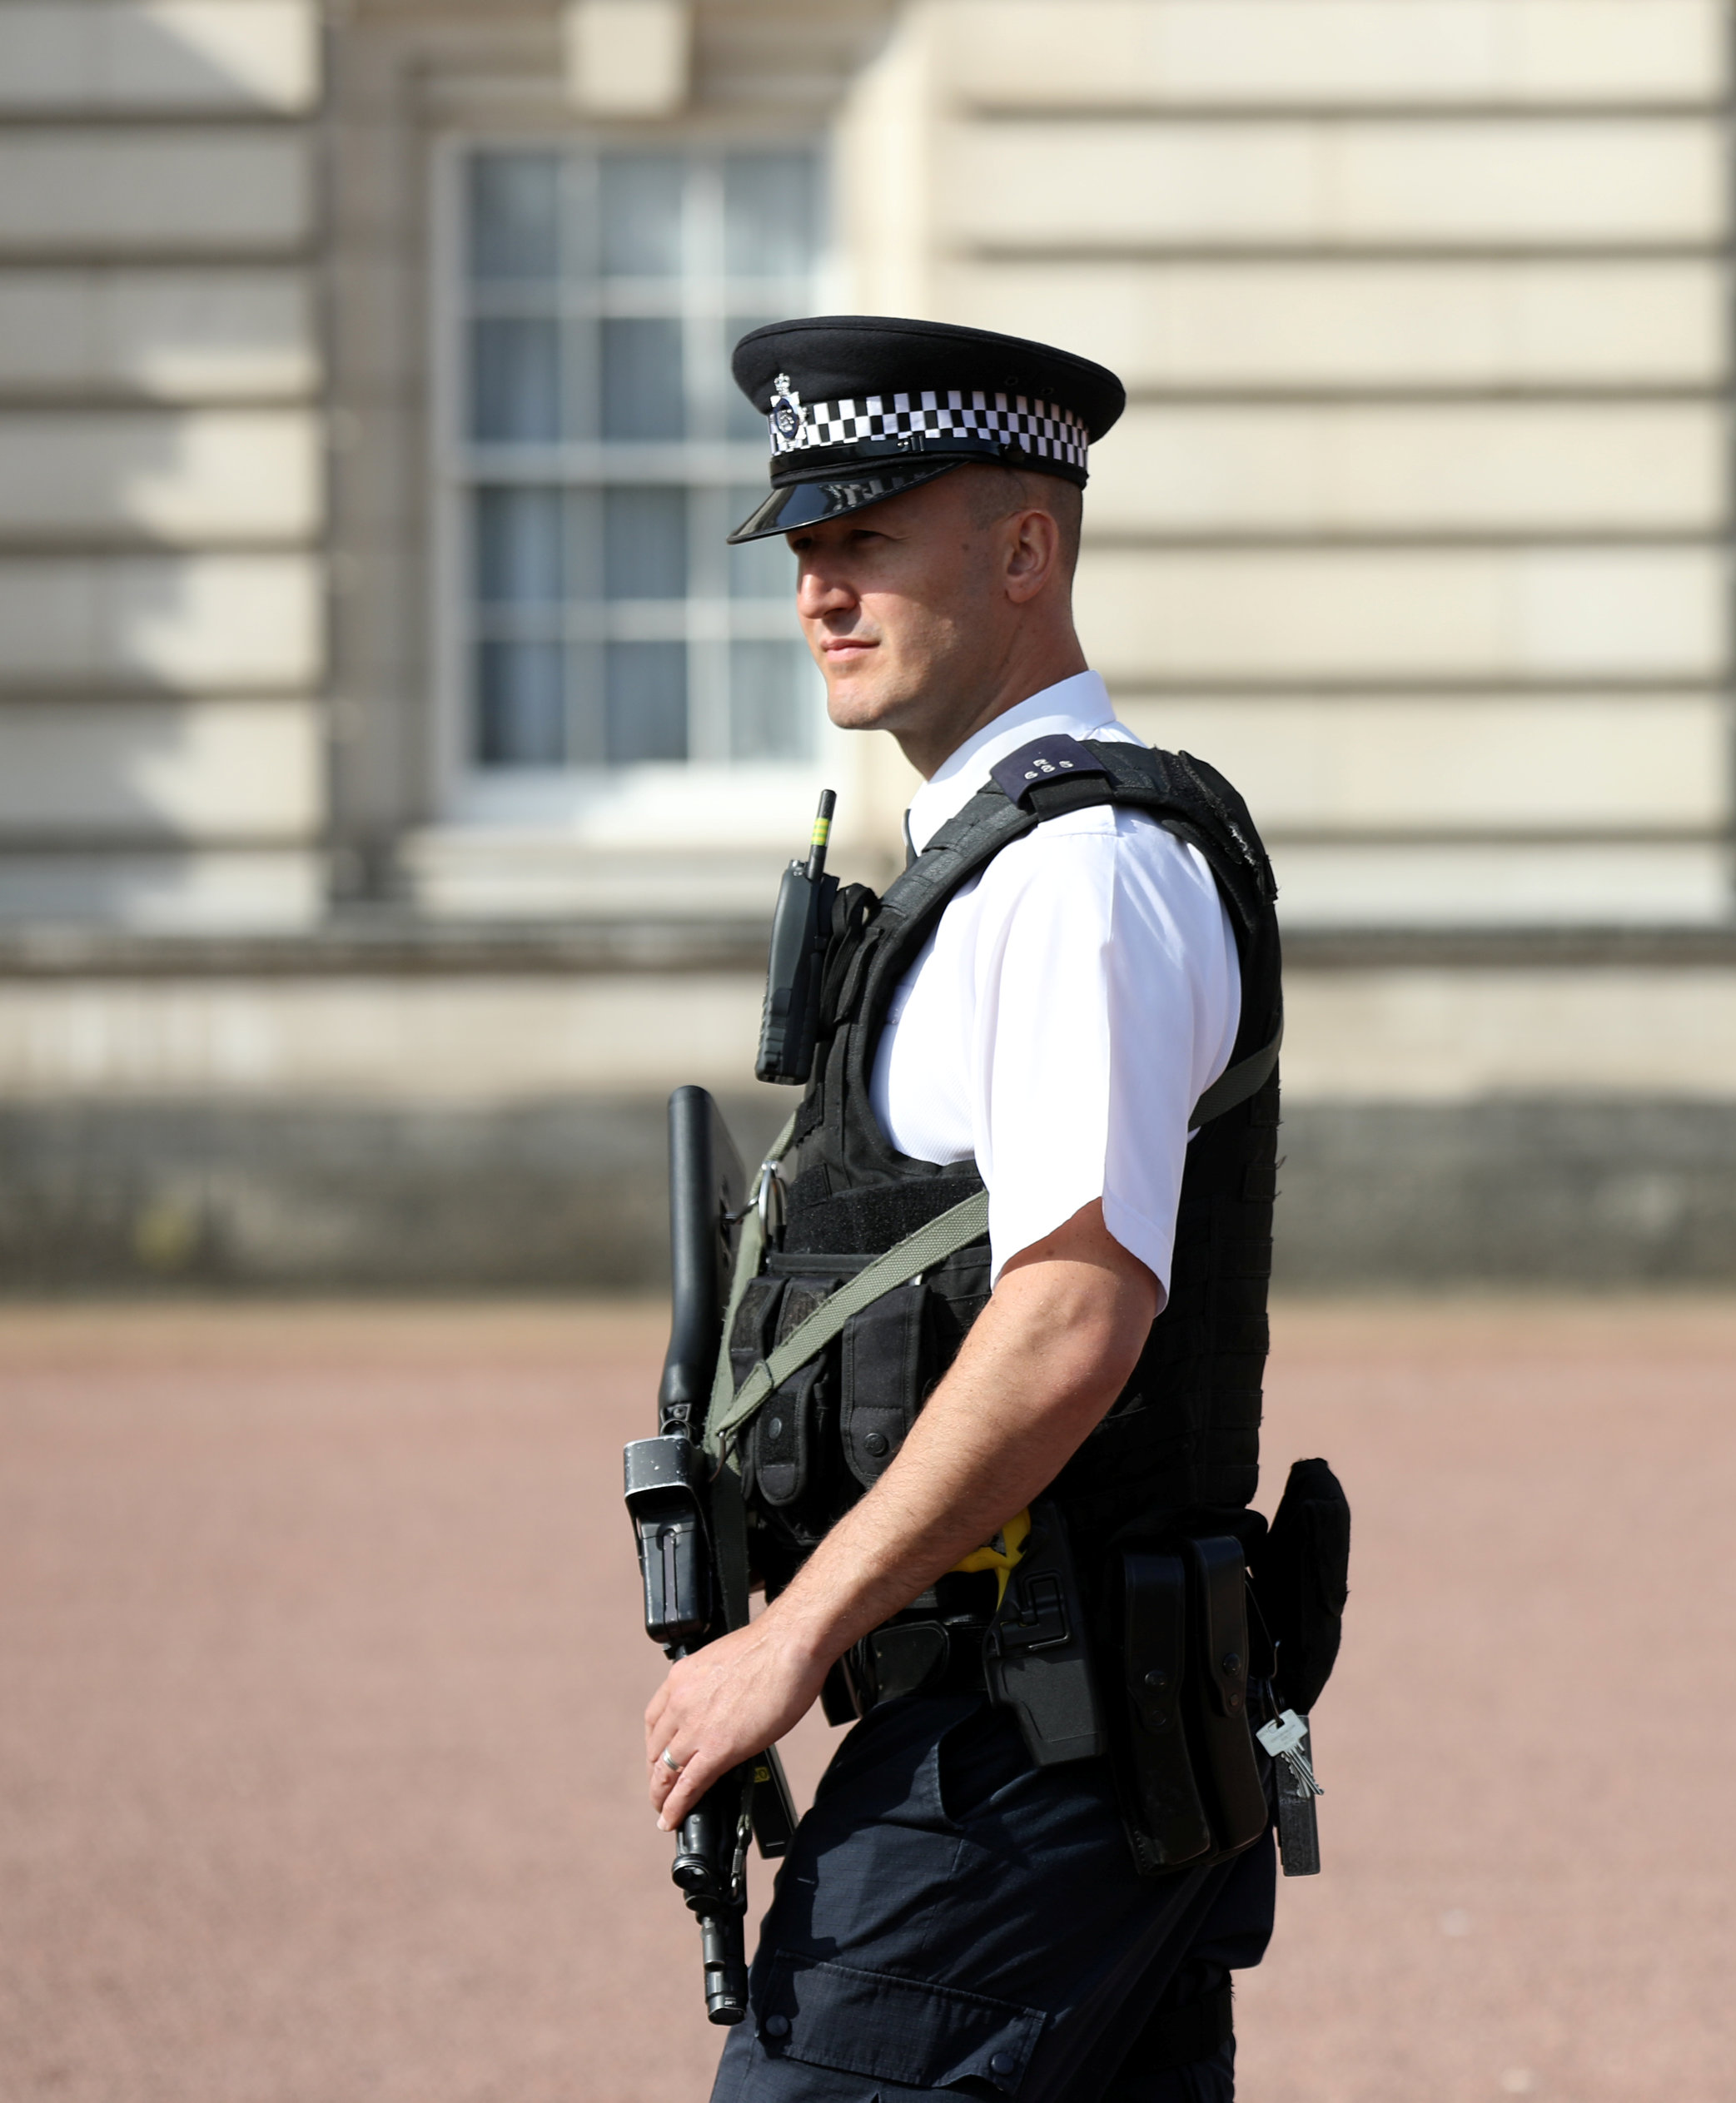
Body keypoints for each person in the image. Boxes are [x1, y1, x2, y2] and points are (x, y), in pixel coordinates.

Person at [644, 316, 1288, 2101]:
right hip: (1037, 1723)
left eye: (867, 541)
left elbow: (1073, 1313)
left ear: (1026, 552)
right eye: (804, 551)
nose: (818, 594)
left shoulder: (1078, 876)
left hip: (1026, 1747)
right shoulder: (988, 856)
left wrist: (792, 1638)